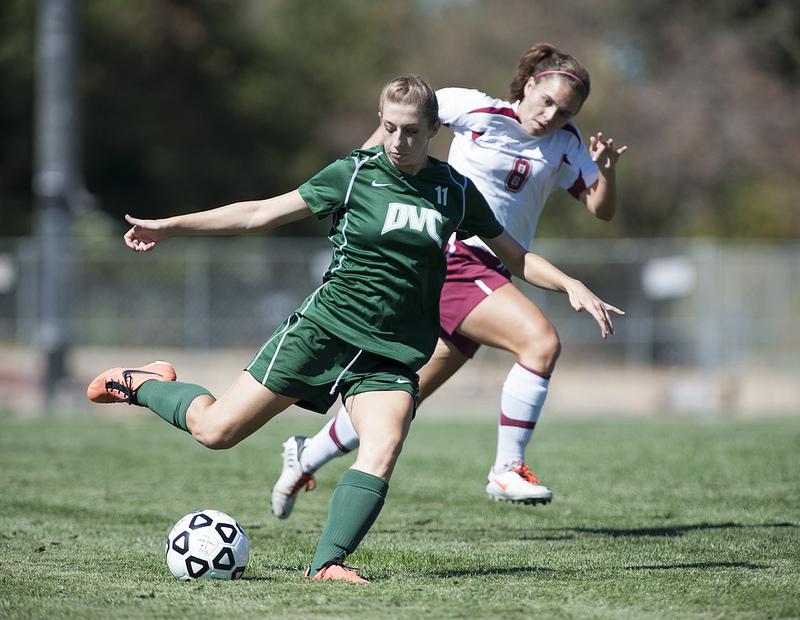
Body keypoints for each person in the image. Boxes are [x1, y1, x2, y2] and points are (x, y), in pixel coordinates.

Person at [87, 74, 621, 583]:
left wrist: (569, 283)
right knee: (216, 432)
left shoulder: (453, 191)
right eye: (389, 127)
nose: (398, 139)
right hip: (325, 333)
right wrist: (171, 225)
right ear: (380, 121)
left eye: (412, 130)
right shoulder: (355, 173)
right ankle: (145, 382)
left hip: (391, 354)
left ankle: (327, 563)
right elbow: (259, 215)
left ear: (434, 130)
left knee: (383, 445)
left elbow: (515, 255)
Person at [271, 43, 628, 519]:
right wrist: (361, 173)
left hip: (493, 270)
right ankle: (507, 468)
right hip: (455, 257)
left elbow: (601, 210)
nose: (551, 115)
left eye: (565, 111)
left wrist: (605, 173)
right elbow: (406, 118)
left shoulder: (567, 143)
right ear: (528, 85)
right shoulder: (474, 107)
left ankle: (305, 454)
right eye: (547, 101)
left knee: (401, 397)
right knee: (540, 343)